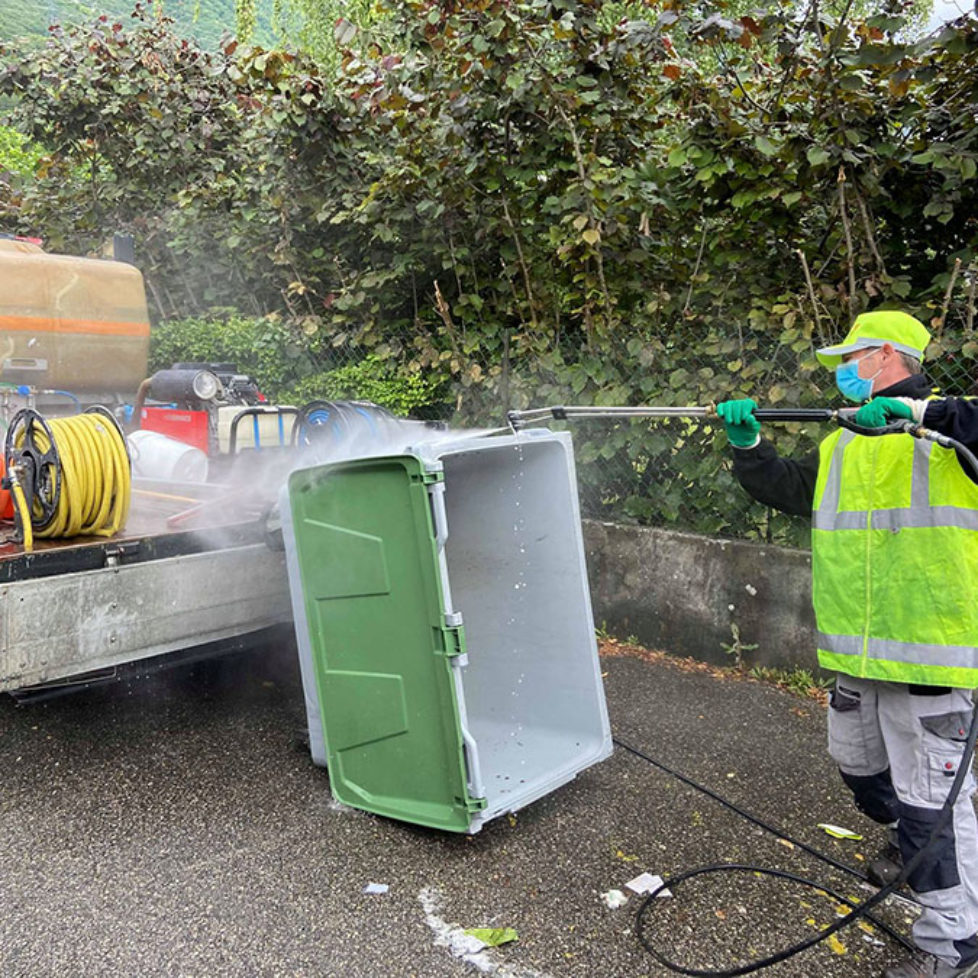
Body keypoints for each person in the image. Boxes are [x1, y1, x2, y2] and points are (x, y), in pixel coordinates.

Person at [717, 310, 978, 978]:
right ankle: (918, 840)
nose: (841, 368)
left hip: (930, 651)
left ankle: (955, 943)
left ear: (887, 353)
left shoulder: (949, 426)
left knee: (930, 802)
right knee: (861, 769)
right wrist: (751, 449)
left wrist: (920, 413)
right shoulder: (844, 438)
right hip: (858, 652)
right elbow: (798, 492)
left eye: (853, 355)